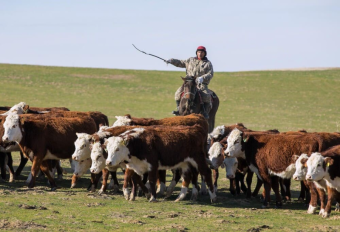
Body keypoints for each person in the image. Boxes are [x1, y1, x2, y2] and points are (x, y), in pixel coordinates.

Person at [166, 46, 213, 119]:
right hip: (189, 82)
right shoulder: (190, 60)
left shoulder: (208, 63)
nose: (200, 54)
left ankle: (204, 112)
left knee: (207, 96)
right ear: (197, 53)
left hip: (200, 83)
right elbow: (181, 63)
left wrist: (202, 78)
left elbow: (210, 74)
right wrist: (171, 61)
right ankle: (179, 110)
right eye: (199, 52)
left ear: (205, 53)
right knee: (177, 93)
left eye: (202, 52)